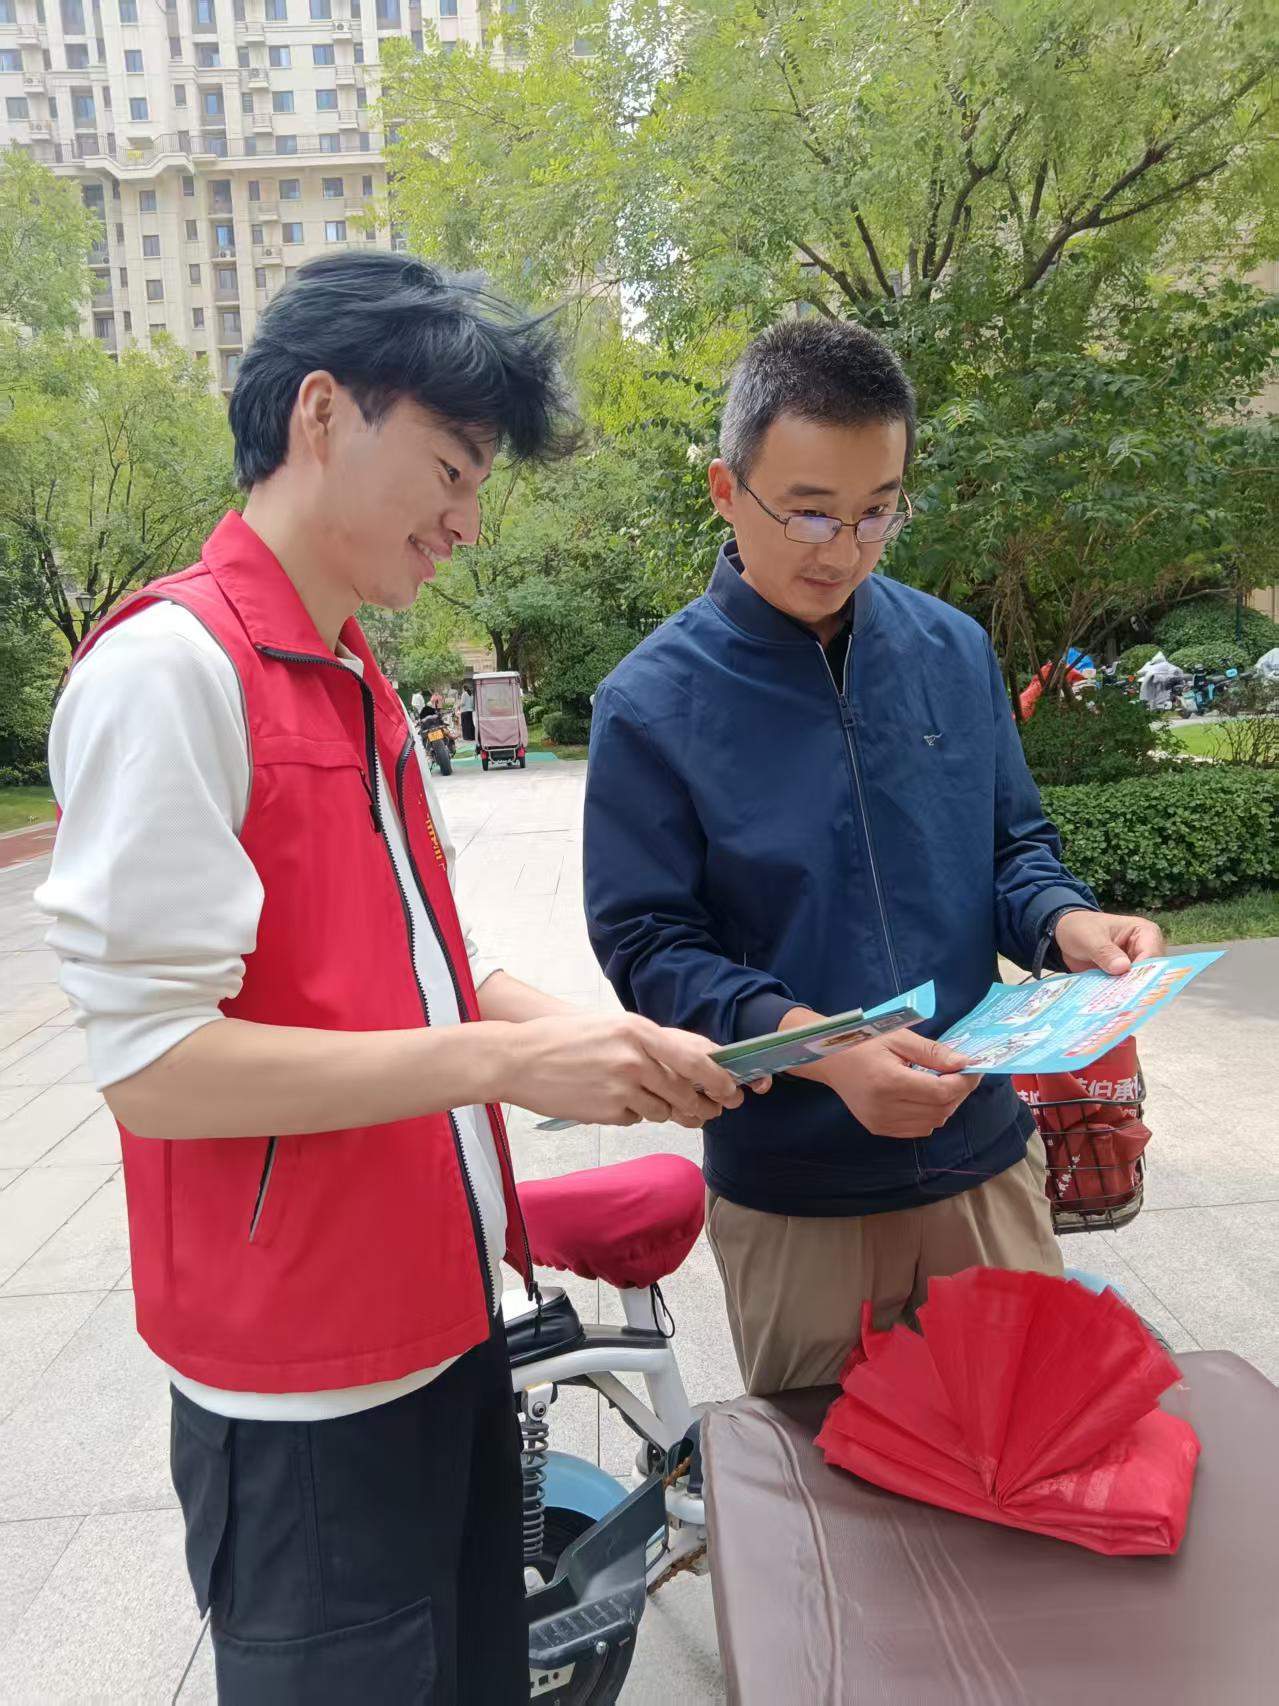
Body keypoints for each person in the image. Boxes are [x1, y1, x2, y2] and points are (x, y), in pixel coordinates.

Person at [35, 252, 748, 1703]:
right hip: (301, 1392)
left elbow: (430, 966)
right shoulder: (171, 670)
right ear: (321, 413)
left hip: (443, 1325)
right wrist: (507, 1063)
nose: (466, 521)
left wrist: (602, 1036)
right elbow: (156, 1067)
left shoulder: (353, 676)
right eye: (450, 467)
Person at [583, 317, 1164, 1398]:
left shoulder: (950, 649)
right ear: (725, 490)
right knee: (831, 1488)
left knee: (1032, 1447)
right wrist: (824, 1051)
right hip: (798, 1198)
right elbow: (649, 947)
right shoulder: (652, 702)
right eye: (808, 511)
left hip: (983, 1162)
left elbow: (1012, 849)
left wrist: (1065, 921)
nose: (842, 549)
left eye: (876, 511)